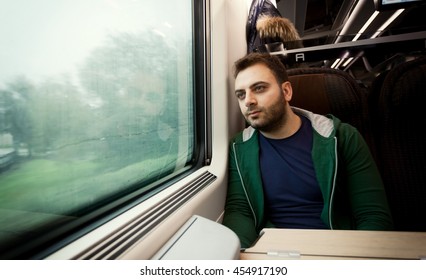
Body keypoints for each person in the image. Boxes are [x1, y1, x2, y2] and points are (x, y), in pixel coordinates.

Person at [222, 53, 393, 248]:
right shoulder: (239, 147)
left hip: (336, 248)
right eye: (241, 94)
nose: (248, 101)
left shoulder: (342, 137)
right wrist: (241, 256)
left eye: (259, 88)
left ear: (286, 91)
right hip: (275, 251)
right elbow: (240, 211)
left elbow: (372, 215)